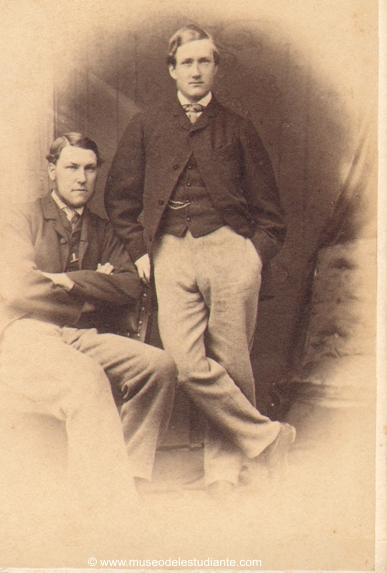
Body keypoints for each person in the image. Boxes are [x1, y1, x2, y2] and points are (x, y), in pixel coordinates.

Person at [104, 25, 296, 499]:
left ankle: (223, 474)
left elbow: (272, 214)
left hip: (229, 250)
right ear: (172, 70)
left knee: (232, 361)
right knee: (187, 365)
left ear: (216, 69)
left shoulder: (238, 126)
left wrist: (252, 255)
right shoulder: (148, 124)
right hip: (170, 252)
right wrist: (141, 252)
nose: (195, 70)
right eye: (186, 62)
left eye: (204, 61)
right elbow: (120, 198)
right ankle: (267, 437)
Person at [0, 132, 177, 515]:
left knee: (158, 366)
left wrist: (68, 281)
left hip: (77, 335)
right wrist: (94, 287)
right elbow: (16, 289)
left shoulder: (104, 230)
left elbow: (130, 284)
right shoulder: (22, 218)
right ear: (52, 171)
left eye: (90, 169)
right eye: (72, 167)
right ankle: (100, 505)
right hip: (24, 333)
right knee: (86, 377)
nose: (82, 178)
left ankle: (126, 479)